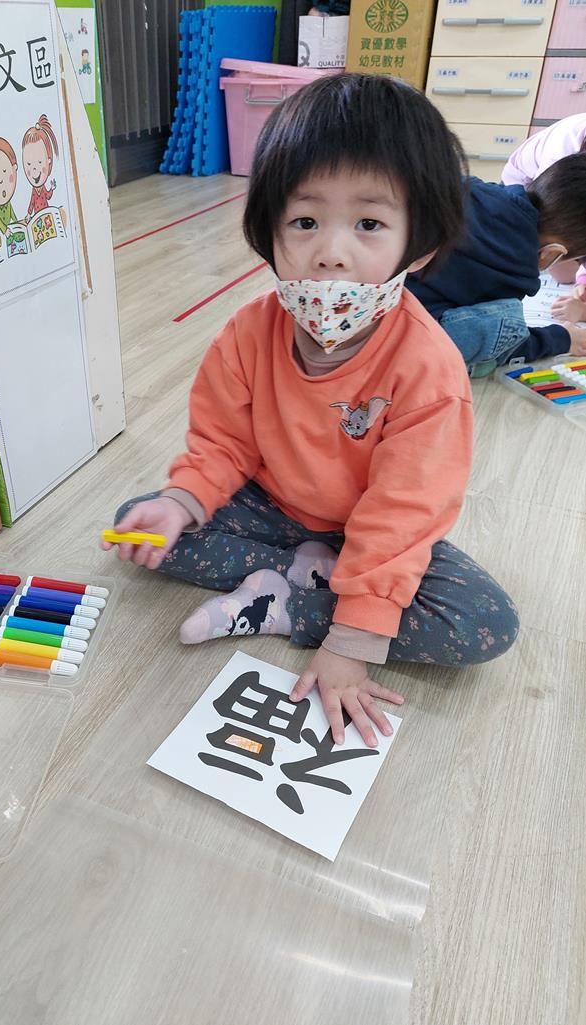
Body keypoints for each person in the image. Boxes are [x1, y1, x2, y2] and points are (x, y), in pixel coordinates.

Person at [102, 74, 519, 748]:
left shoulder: (427, 367)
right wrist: (182, 500)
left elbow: (403, 512)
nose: (330, 252)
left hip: (369, 530)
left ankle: (286, 602)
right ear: (269, 231)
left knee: (483, 621)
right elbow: (222, 443)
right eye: (304, 221)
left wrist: (351, 641)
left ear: (418, 243)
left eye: (368, 224)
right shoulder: (247, 331)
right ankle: (305, 566)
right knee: (144, 524)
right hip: (271, 506)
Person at [407, 153, 586, 376]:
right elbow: (508, 343)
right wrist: (563, 338)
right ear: (550, 255)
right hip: (407, 350)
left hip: (370, 312)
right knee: (500, 331)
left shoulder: (476, 191)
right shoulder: (511, 266)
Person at [503, 115, 586, 326]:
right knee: (558, 273)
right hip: (528, 187)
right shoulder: (561, 155)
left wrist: (583, 280)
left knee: (566, 274)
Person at [21, 114, 58, 220]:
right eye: (28, 164)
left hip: (46, 214)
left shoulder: (42, 188)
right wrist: (29, 214)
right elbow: (32, 202)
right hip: (37, 217)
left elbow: (48, 196)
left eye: (40, 162)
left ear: (49, 160)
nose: (34, 169)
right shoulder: (34, 190)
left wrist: (52, 189)